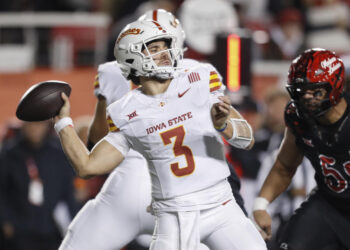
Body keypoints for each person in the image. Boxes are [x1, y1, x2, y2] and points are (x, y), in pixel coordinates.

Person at [55, 19, 266, 250]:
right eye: (154, 49)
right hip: (174, 217)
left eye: (165, 46)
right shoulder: (125, 111)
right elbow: (87, 167)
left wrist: (224, 124)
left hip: (222, 207)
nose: (164, 53)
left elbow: (247, 139)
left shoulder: (198, 76)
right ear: (132, 57)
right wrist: (63, 122)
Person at [253, 48, 350, 249]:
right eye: (301, 90)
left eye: (315, 90)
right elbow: (284, 166)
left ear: (335, 85)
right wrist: (261, 205)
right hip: (329, 205)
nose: (307, 97)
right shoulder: (298, 117)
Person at [0, 121, 77, 250]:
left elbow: (68, 190)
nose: (35, 129)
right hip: (19, 231)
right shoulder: (9, 153)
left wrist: (73, 222)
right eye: (30, 124)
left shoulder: (58, 152)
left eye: (39, 124)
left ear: (46, 126)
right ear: (23, 125)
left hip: (52, 229)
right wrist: (6, 221)